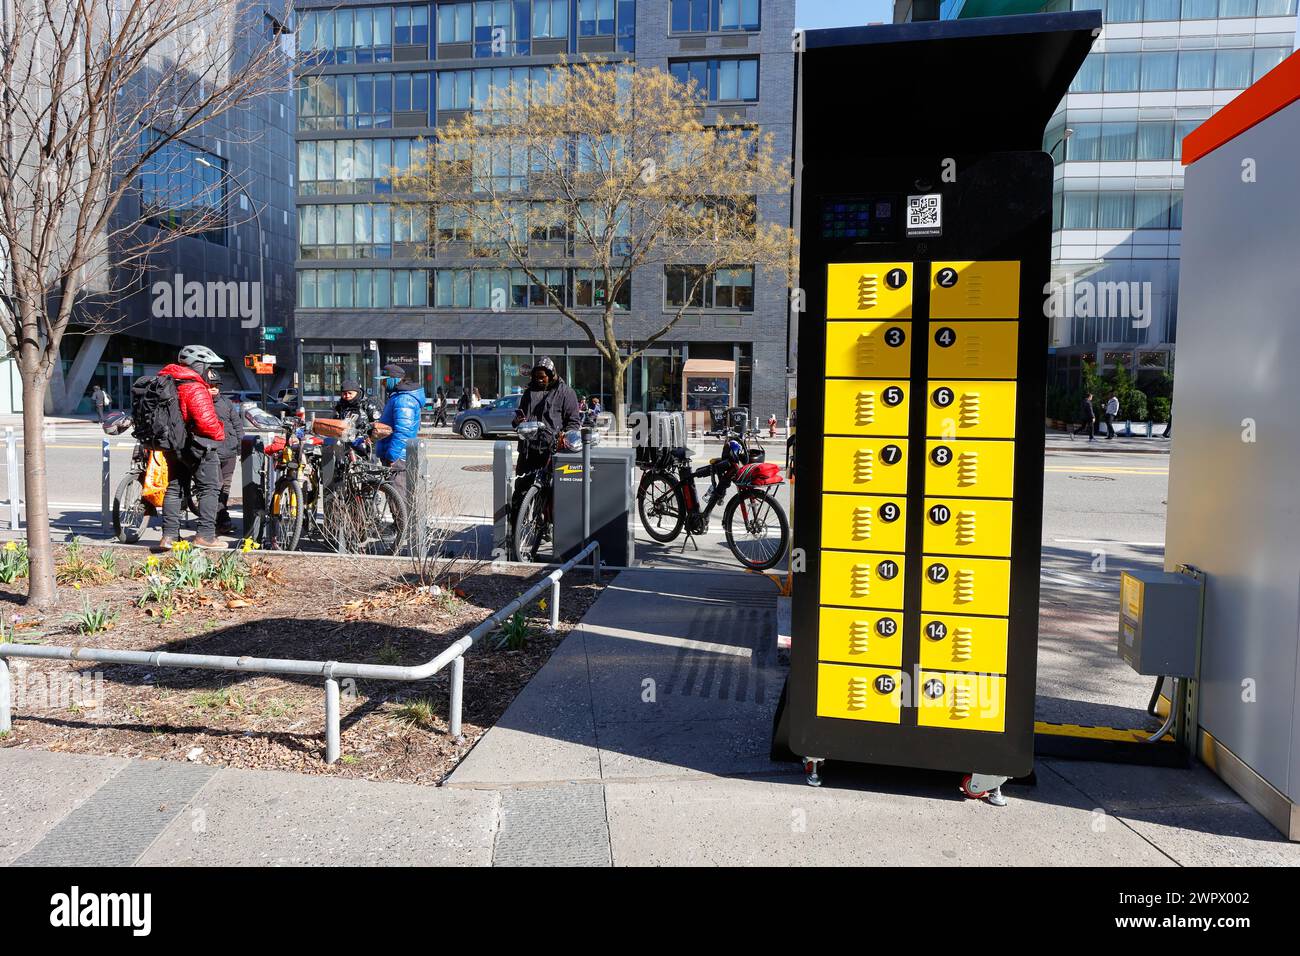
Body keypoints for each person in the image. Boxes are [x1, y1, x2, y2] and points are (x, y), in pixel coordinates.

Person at [156, 345, 225, 549]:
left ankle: (168, 537)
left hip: (171, 444)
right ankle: (205, 535)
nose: (209, 371)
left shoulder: (166, 381)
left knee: (175, 488)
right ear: (199, 365)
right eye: (208, 366)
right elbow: (206, 422)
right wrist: (220, 432)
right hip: (196, 445)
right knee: (210, 488)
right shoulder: (194, 386)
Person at [510, 356, 580, 516]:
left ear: (552, 374)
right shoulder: (528, 393)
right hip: (528, 450)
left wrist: (565, 435)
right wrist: (517, 421)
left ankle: (545, 525)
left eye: (542, 377)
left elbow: (574, 422)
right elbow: (517, 422)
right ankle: (514, 530)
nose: (539, 380)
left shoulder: (566, 393)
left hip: (551, 450)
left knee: (549, 493)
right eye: (536, 377)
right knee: (520, 492)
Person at [375, 364, 425, 495]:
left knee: (398, 499)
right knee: (397, 498)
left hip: (398, 458)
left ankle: (402, 517)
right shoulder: (398, 396)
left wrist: (392, 456)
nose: (382, 384)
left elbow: (403, 431)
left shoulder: (403, 399)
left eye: (384, 380)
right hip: (396, 455)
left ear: (393, 380)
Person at [206, 369, 244, 536]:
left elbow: (237, 425)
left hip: (229, 451)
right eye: (210, 385)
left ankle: (221, 519)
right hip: (211, 452)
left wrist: (242, 445)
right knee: (215, 487)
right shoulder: (200, 404)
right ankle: (219, 520)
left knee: (225, 488)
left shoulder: (226, 403)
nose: (214, 388)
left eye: (216, 385)